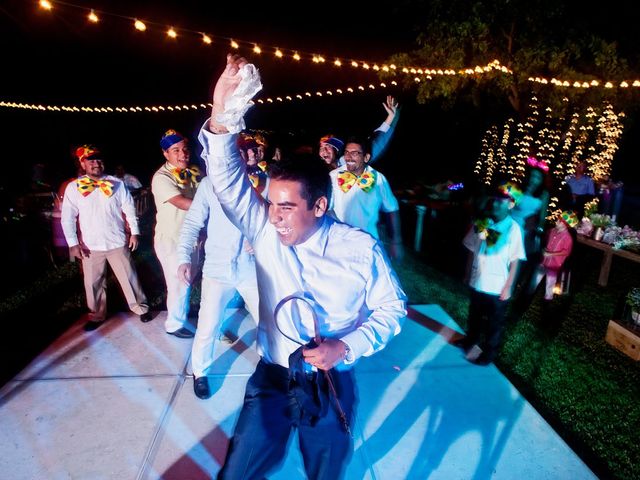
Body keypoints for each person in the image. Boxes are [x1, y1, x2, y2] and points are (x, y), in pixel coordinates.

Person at [200, 54, 406, 480]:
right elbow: (226, 180)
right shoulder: (263, 229)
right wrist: (222, 116)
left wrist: (346, 346)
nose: (273, 216)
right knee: (237, 471)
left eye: (287, 208)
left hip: (331, 385)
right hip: (272, 378)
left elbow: (392, 309)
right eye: (272, 204)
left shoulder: (359, 249)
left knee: (325, 470)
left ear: (319, 205)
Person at [176, 174, 260, 400]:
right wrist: (184, 257)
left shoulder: (263, 180)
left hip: (251, 267)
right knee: (208, 324)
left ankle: (276, 367)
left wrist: (261, 238)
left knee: (268, 321)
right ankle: (200, 373)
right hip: (217, 267)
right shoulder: (209, 184)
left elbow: (276, 217)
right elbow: (193, 221)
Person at [61, 144, 150, 330]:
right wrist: (73, 243)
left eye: (99, 160)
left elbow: (129, 208)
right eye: (91, 160)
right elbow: (68, 217)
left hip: (116, 241)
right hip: (90, 245)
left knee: (129, 277)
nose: (96, 163)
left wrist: (134, 232)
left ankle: (140, 308)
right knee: (93, 283)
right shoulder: (73, 188)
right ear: (83, 163)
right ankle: (96, 316)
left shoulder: (116, 183)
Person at [455, 182, 526, 365]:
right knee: (474, 314)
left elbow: (515, 259)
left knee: (494, 322)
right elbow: (472, 248)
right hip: (478, 279)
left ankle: (489, 352)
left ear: (511, 204)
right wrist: (467, 272)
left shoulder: (513, 229)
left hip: (497, 285)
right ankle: (470, 339)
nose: (496, 204)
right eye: (495, 200)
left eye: (501, 201)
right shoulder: (482, 222)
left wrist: (509, 286)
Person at [151, 130, 200, 338]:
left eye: (185, 149)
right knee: (179, 282)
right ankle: (174, 324)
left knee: (190, 279)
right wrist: (213, 207)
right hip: (172, 239)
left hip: (193, 237)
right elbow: (181, 202)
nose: (182, 154)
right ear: (165, 154)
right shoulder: (161, 177)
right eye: (176, 150)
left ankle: (183, 315)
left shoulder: (195, 172)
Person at [329, 135, 404, 259]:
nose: (348, 157)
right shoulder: (333, 176)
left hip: (369, 243)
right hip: (339, 242)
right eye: (347, 152)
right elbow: (327, 209)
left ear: (366, 157)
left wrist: (396, 242)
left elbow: (392, 209)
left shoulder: (379, 179)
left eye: (354, 153)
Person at [318, 95, 400, 170]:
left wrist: (391, 117)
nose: (324, 150)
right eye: (321, 148)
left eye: (328, 146)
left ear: (336, 150)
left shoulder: (347, 162)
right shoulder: (318, 171)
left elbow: (375, 143)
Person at [532, 210, 577, 301]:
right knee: (536, 277)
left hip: (554, 264)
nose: (556, 222)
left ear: (565, 224)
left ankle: (548, 298)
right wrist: (544, 249)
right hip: (544, 261)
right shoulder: (552, 231)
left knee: (550, 281)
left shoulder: (567, 238)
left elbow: (566, 252)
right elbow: (546, 240)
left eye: (559, 221)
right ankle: (530, 291)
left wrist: (551, 254)